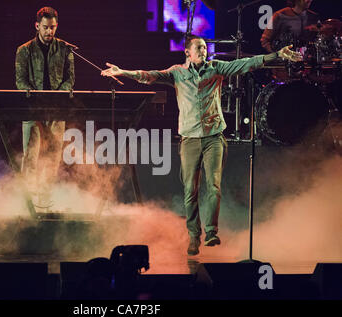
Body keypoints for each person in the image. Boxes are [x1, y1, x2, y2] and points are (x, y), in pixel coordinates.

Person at [101, 35, 302, 255]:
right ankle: (194, 236)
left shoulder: (215, 68)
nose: (204, 51)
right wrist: (123, 72)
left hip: (214, 137)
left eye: (205, 48)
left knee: (213, 186)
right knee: (190, 189)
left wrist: (275, 55)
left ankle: (211, 232)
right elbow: (149, 76)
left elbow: (246, 63)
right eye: (200, 48)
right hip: (190, 139)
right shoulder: (177, 72)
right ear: (188, 52)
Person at [15, 7, 74, 208]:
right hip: (32, 109)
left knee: (54, 155)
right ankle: (28, 200)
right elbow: (20, 81)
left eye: (53, 27)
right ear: (37, 26)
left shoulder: (65, 49)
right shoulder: (24, 50)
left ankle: (45, 197)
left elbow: (70, 80)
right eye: (46, 28)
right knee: (30, 154)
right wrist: (36, 97)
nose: (50, 32)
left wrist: (58, 95)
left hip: (57, 110)